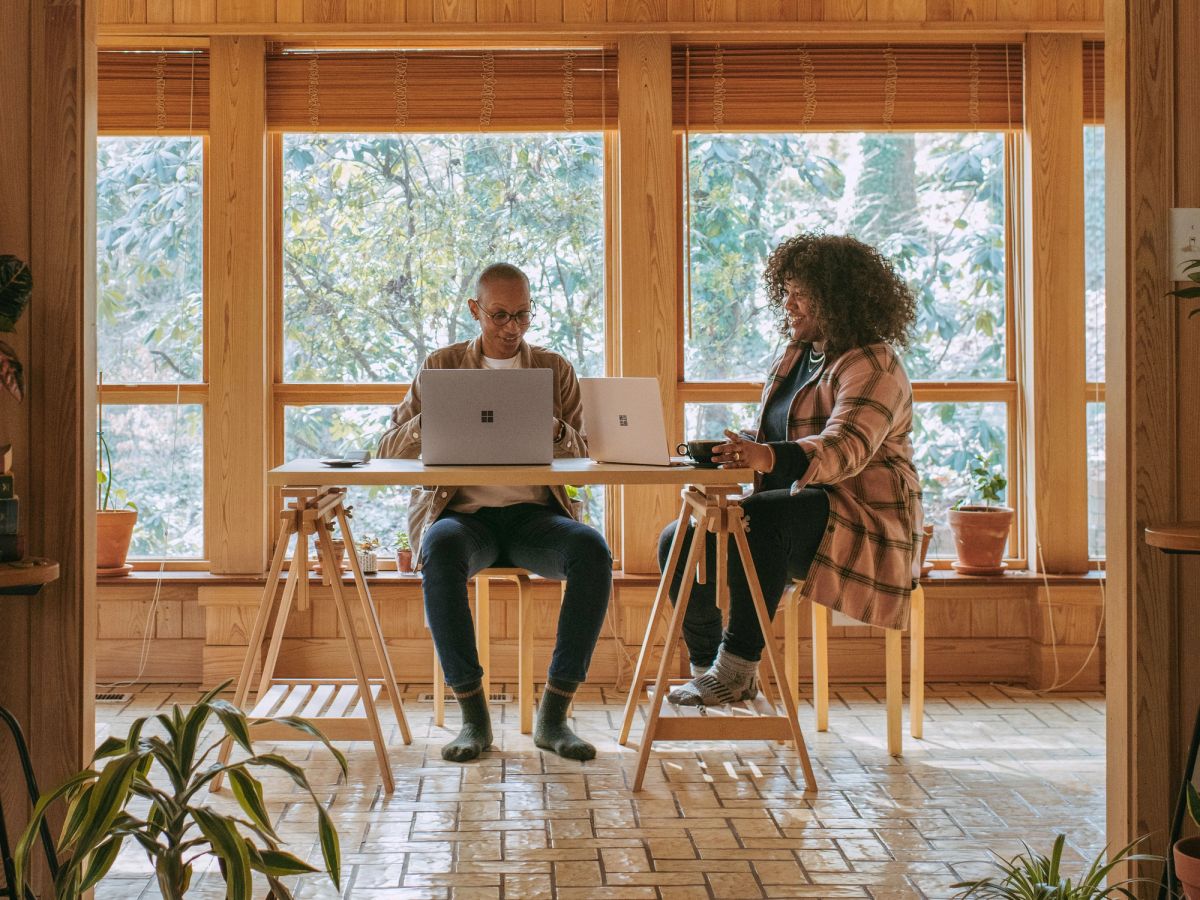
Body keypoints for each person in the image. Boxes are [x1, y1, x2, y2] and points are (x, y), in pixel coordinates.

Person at [660, 233, 924, 706]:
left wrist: (767, 457)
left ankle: (738, 668)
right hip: (796, 513)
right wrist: (743, 450)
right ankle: (708, 666)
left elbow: (845, 448)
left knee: (759, 519)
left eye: (800, 292)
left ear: (836, 297)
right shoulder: (798, 355)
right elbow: (779, 440)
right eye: (786, 290)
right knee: (677, 539)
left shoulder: (874, 364)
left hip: (862, 520)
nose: (789, 303)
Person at [378, 263, 612, 762]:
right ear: (475, 311)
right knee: (438, 547)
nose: (512, 327)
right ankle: (473, 718)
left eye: (523, 315)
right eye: (500, 315)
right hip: (464, 517)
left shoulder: (554, 370)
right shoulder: (440, 367)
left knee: (591, 548)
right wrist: (436, 415)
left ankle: (554, 716)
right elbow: (386, 450)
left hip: (535, 516)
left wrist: (552, 431)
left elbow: (586, 460)